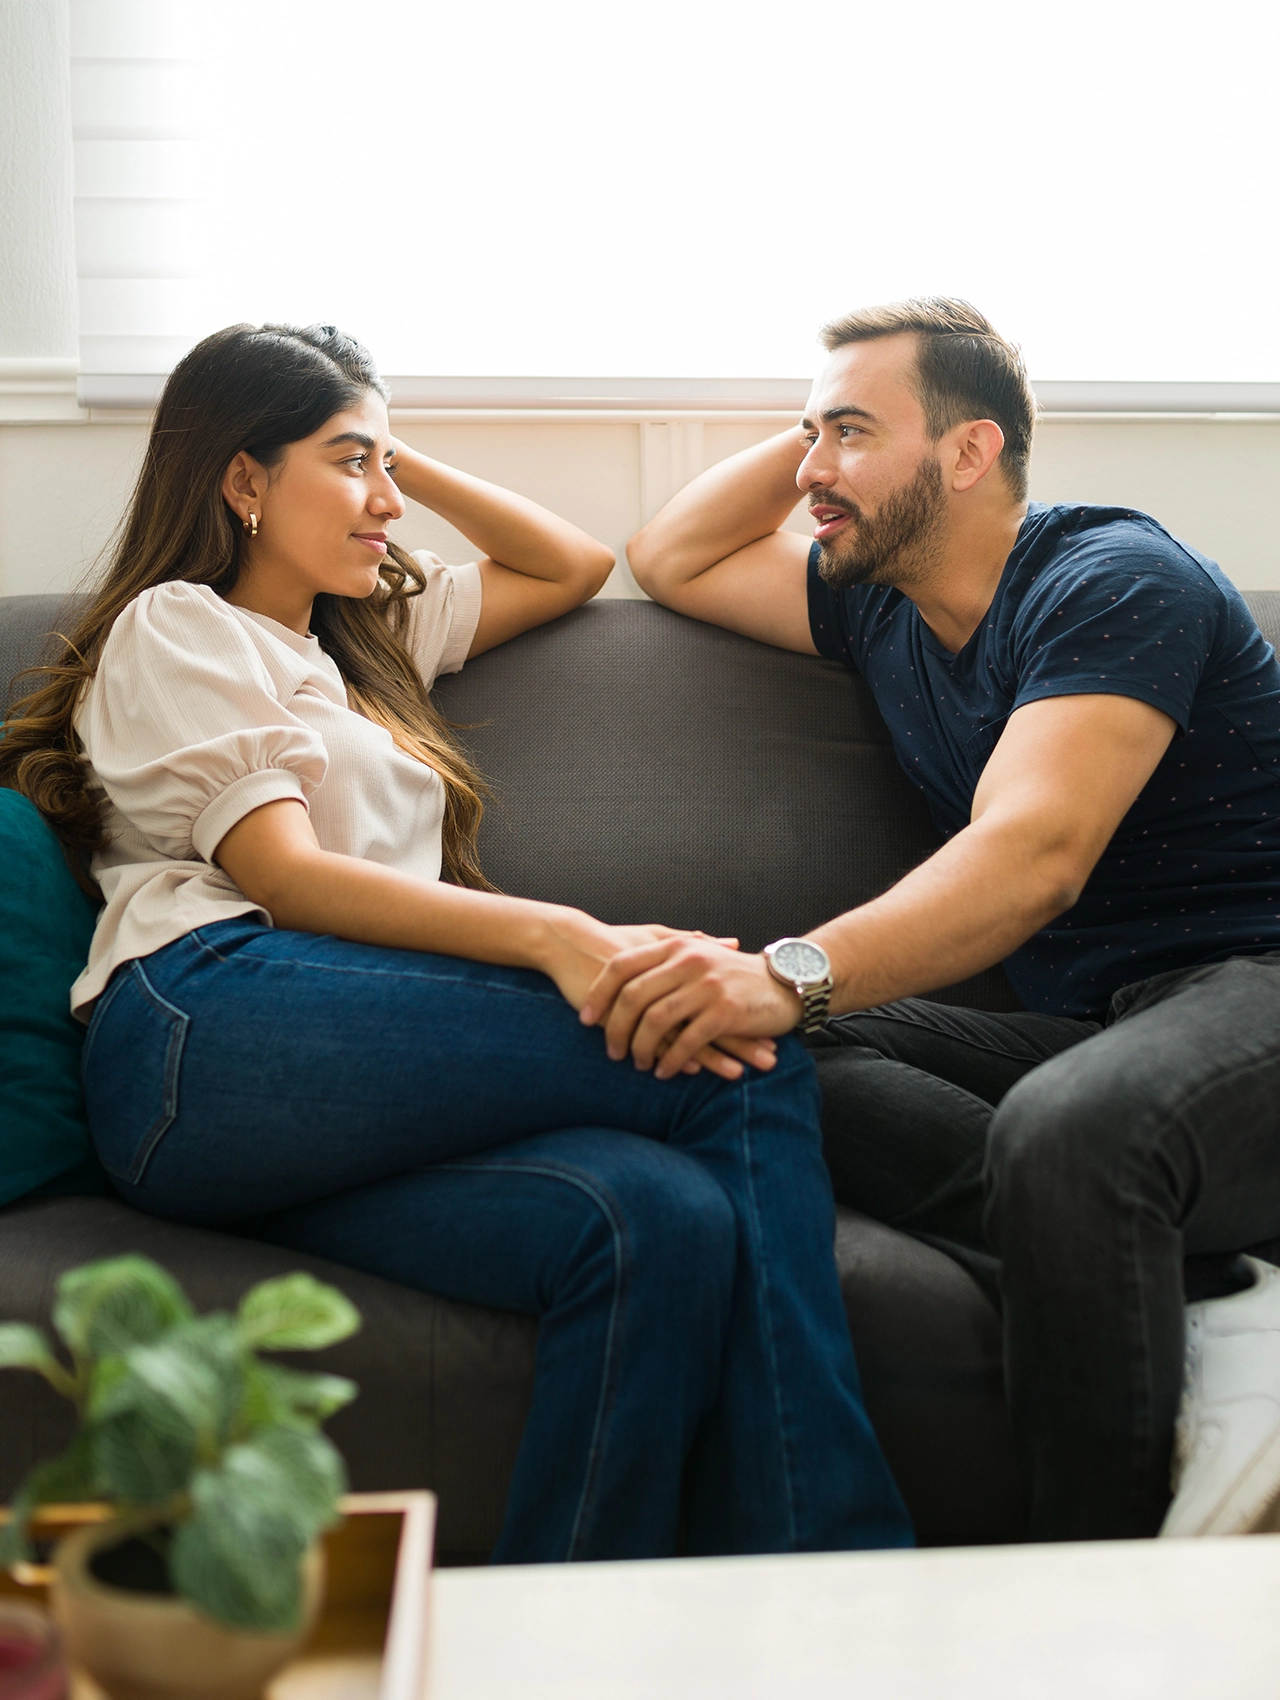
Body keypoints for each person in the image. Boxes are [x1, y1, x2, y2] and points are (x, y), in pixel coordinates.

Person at [0, 322, 911, 1563]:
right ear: (241, 478)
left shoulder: (365, 647)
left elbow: (574, 562)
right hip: (204, 1025)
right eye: (345, 462)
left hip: (327, 1094)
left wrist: (382, 463)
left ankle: (572, 1632)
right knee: (731, 1044)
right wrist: (557, 935)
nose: (383, 499)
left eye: (386, 464)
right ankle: (836, 1562)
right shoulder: (180, 625)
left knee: (653, 1221)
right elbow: (285, 876)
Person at [614, 297, 1280, 1543]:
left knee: (1066, 1134)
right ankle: (1209, 1295)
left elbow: (1033, 856)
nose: (811, 468)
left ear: (971, 451)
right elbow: (670, 554)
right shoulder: (882, 608)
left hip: (1256, 987)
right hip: (1114, 1024)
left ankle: (1097, 1610)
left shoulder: (1110, 578)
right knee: (773, 1056)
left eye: (851, 432)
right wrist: (832, 442)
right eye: (810, 436)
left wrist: (790, 968)